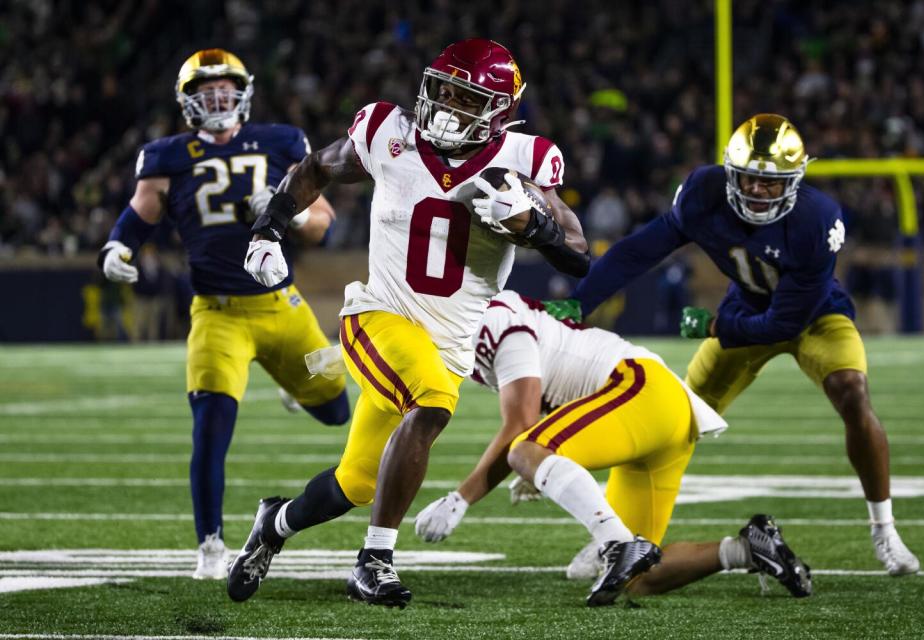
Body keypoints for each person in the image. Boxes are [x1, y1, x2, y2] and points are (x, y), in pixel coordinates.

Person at [228, 39, 590, 609]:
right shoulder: (387, 134)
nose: (447, 105)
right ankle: (374, 563)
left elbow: (576, 251)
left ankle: (273, 525)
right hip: (379, 315)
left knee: (357, 484)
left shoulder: (524, 160)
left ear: (500, 111)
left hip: (449, 343)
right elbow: (316, 167)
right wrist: (268, 228)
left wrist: (530, 225)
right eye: (442, 90)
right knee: (432, 407)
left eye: (465, 98)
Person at [549, 114, 919, 576]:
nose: (759, 191)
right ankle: (617, 536)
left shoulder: (815, 219)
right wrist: (581, 302)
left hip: (814, 316)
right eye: (749, 179)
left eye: (771, 183)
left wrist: (715, 328)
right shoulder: (704, 193)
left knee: (852, 390)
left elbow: (784, 321)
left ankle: (885, 530)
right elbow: (641, 248)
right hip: (742, 311)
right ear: (730, 173)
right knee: (669, 419)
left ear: (794, 181)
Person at [98, 49, 350, 580]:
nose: (217, 96)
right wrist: (117, 247)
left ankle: (293, 385)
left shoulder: (283, 141)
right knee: (211, 429)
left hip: (284, 304)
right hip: (216, 313)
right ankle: (210, 544)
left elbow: (322, 221)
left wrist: (285, 209)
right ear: (189, 98)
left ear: (243, 91)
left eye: (225, 86)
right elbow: (140, 212)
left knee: (337, 411)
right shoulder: (165, 154)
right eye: (206, 88)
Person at [414, 290, 811, 605]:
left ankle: (617, 541)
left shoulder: (494, 320)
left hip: (642, 388)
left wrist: (460, 500)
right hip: (663, 414)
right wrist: (543, 459)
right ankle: (750, 549)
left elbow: (522, 424)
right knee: (639, 579)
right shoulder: (488, 329)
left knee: (525, 450)